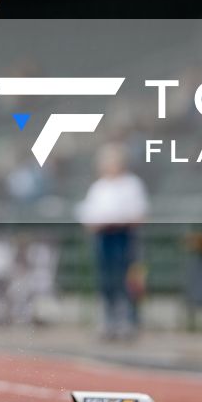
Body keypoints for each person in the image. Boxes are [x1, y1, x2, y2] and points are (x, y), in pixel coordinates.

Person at [77, 144, 148, 341]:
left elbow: (138, 213)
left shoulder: (131, 184)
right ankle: (108, 321)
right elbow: (88, 215)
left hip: (123, 236)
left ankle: (128, 321)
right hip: (103, 237)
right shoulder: (98, 187)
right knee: (106, 280)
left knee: (126, 279)